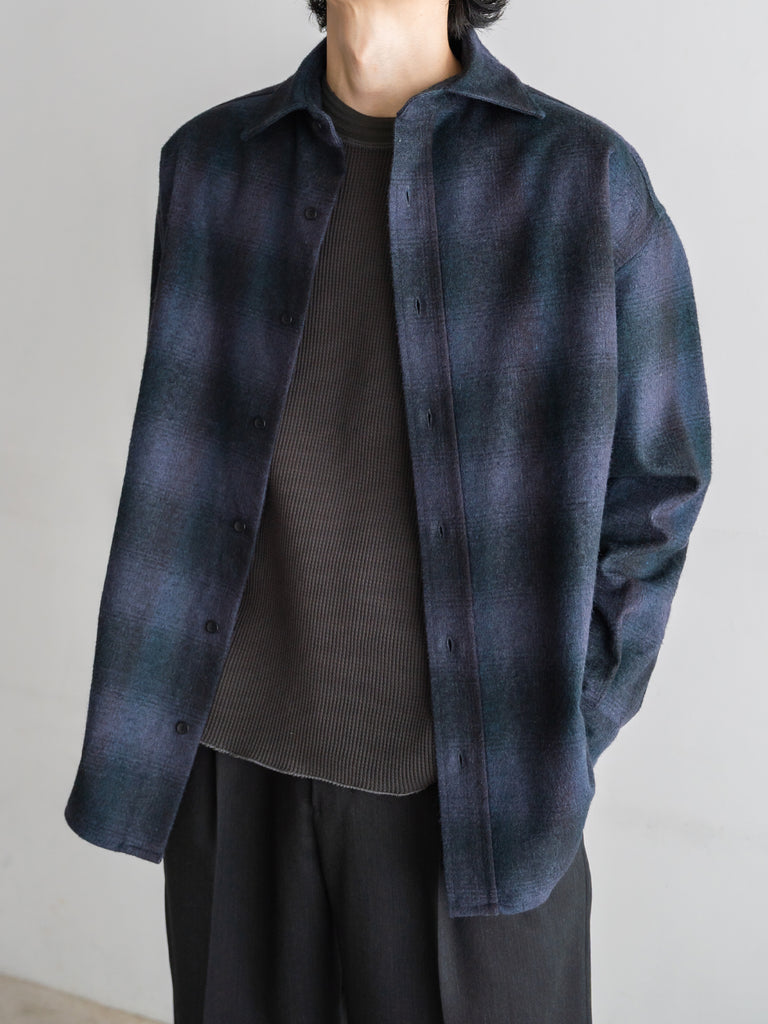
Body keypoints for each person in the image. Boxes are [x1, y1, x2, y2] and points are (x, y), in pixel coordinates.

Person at [63, 0, 712, 1021]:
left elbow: (661, 484)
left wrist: (559, 724)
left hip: (476, 799)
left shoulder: (582, 181)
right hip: (231, 774)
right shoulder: (212, 167)